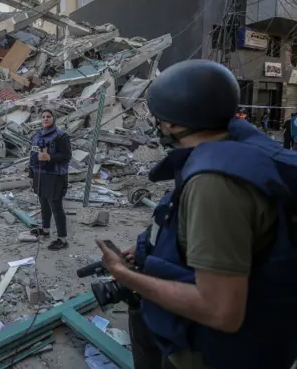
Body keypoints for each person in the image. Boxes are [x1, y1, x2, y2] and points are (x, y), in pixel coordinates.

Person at [94, 59, 297, 369]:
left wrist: (125, 276)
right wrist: (153, 253)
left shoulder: (213, 185)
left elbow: (221, 311)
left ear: (175, 123)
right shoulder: (239, 149)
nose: (157, 124)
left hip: (214, 355)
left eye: (159, 117)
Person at [28, 108, 72, 250]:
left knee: (56, 206)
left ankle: (62, 239)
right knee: (43, 203)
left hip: (55, 176)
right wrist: (31, 174)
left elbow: (67, 156)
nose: (46, 118)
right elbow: (32, 156)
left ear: (54, 118)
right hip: (40, 175)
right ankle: (45, 229)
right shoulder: (37, 135)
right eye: (43, 116)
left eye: (49, 116)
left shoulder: (61, 136)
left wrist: (50, 157)